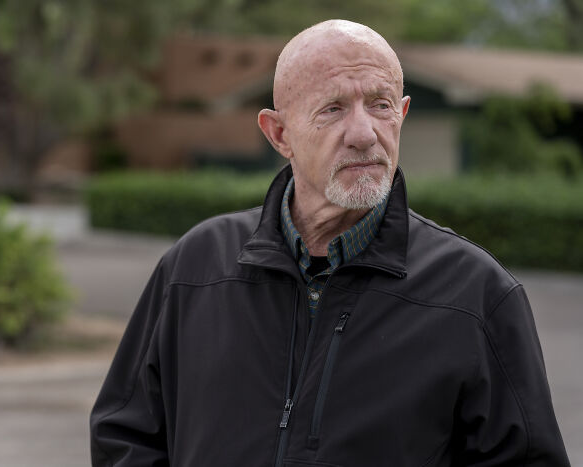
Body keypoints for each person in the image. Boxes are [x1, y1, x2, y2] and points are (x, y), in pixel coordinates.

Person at [90, 20, 570, 466]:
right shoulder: (195, 267)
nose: (363, 133)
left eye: (380, 105)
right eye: (333, 108)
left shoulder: (477, 294)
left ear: (401, 115)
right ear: (279, 134)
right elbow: (124, 438)